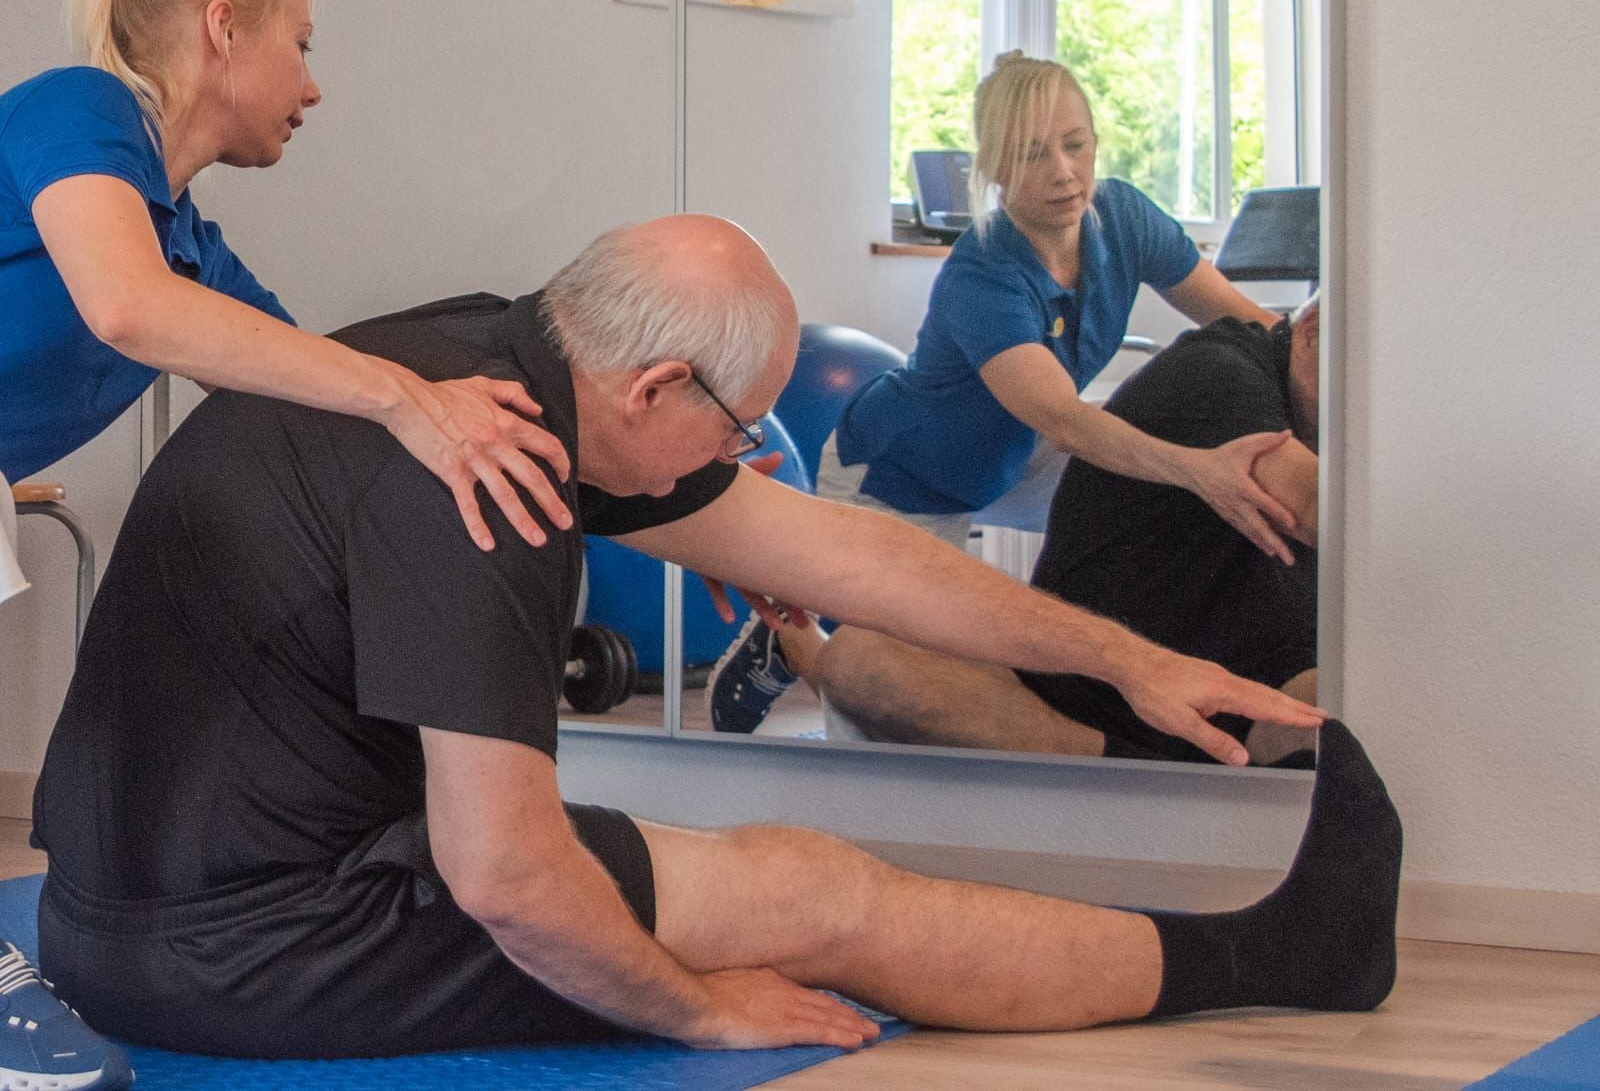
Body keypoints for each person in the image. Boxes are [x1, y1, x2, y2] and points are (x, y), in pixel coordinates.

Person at [31, 216, 1400, 1061]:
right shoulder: (490, 481)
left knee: (739, 872)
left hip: (125, 911)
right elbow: (503, 871)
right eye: (738, 423)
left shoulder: (482, 360)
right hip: (250, 943)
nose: (743, 453)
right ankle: (1286, 958)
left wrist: (1127, 660)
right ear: (655, 384)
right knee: (815, 895)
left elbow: (841, 550)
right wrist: (692, 1007)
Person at [0, 0, 570, 1089]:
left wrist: (631, 466)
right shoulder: (79, 109)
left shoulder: (190, 245)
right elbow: (124, 305)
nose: (313, 86)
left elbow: (313, 395)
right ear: (222, 29)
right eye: (301, 43)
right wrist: (401, 400)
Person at [709, 52, 1294, 732]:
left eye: (1075, 145)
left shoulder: (1124, 218)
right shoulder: (982, 273)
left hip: (1016, 457)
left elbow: (1246, 320)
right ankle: (786, 646)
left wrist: (1325, 359)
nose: (1064, 172)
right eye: (1033, 154)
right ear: (992, 168)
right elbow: (1067, 420)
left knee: (1155, 497)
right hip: (904, 473)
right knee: (897, 696)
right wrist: (1200, 469)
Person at [787, 296, 1322, 764]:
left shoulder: (1124, 235)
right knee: (861, 660)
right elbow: (1314, 506)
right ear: (1314, 332)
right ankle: (787, 633)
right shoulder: (1220, 370)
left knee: (1343, 712)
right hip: (1091, 699)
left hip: (1236, 691)